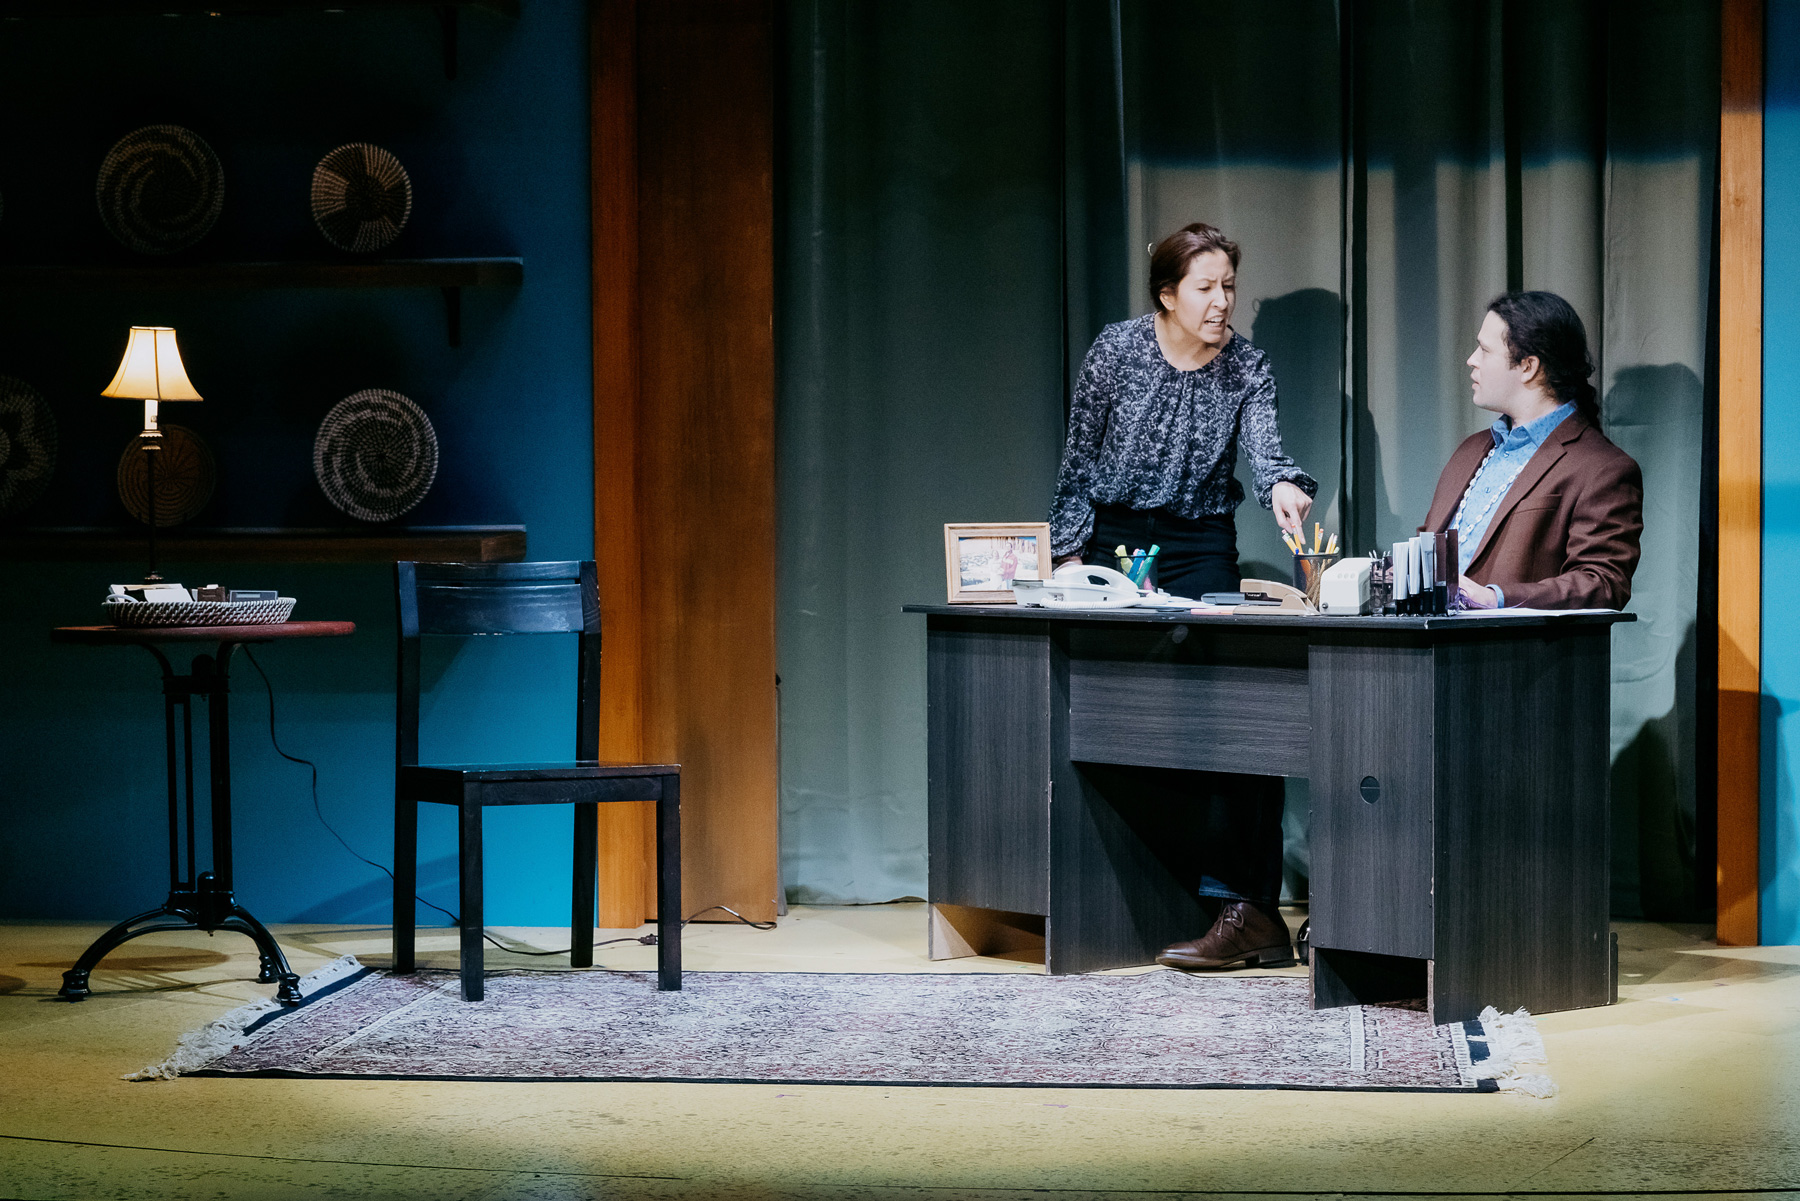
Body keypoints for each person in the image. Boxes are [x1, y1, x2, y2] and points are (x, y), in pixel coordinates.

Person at [1047, 221, 1317, 972]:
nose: (1221, 301)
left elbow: (1267, 452)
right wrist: (1068, 557)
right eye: (1206, 287)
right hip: (1113, 538)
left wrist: (1283, 486)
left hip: (1199, 544)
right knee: (1115, 709)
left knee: (1234, 712)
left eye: (1229, 286)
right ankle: (1127, 895)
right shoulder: (1116, 350)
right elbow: (1077, 463)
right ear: (1167, 294)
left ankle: (1245, 908)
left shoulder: (1247, 366)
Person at [1423, 291, 1642, 611]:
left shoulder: (1601, 469)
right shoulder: (1470, 451)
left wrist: (1494, 598)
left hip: (1515, 643)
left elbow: (1603, 582)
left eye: (1485, 350)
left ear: (1528, 366)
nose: (1472, 359)